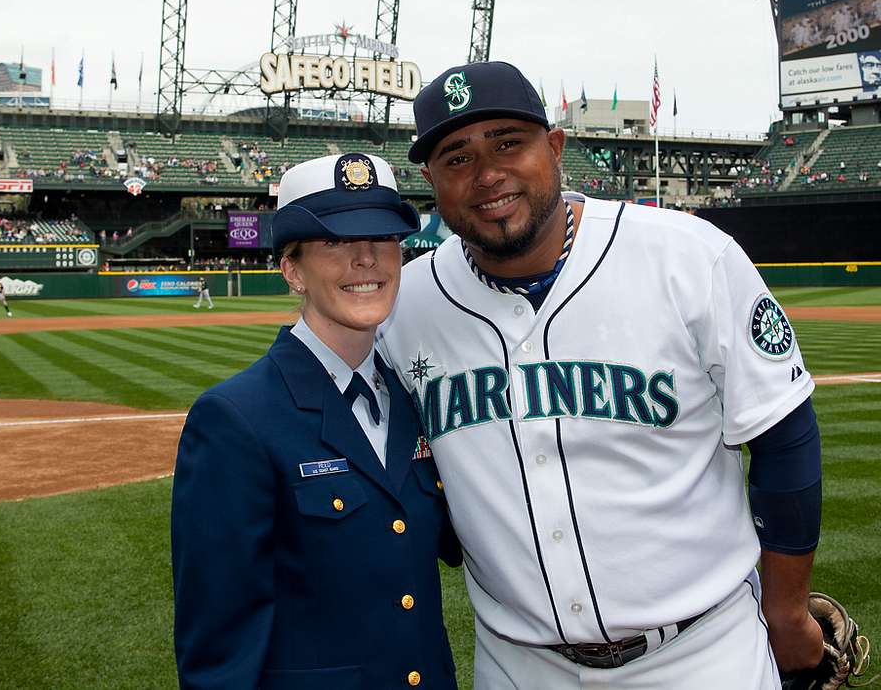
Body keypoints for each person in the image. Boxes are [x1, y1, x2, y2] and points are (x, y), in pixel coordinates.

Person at [377, 61, 824, 688]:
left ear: (554, 147)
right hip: (518, 664)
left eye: (509, 142)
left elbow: (784, 435)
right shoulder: (406, 303)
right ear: (430, 180)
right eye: (457, 157)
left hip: (701, 654)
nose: (487, 174)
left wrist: (785, 610)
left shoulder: (689, 257)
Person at [171, 153, 461, 689]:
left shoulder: (414, 398)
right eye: (335, 242)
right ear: (292, 270)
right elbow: (219, 650)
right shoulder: (236, 419)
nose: (366, 259)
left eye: (382, 238)